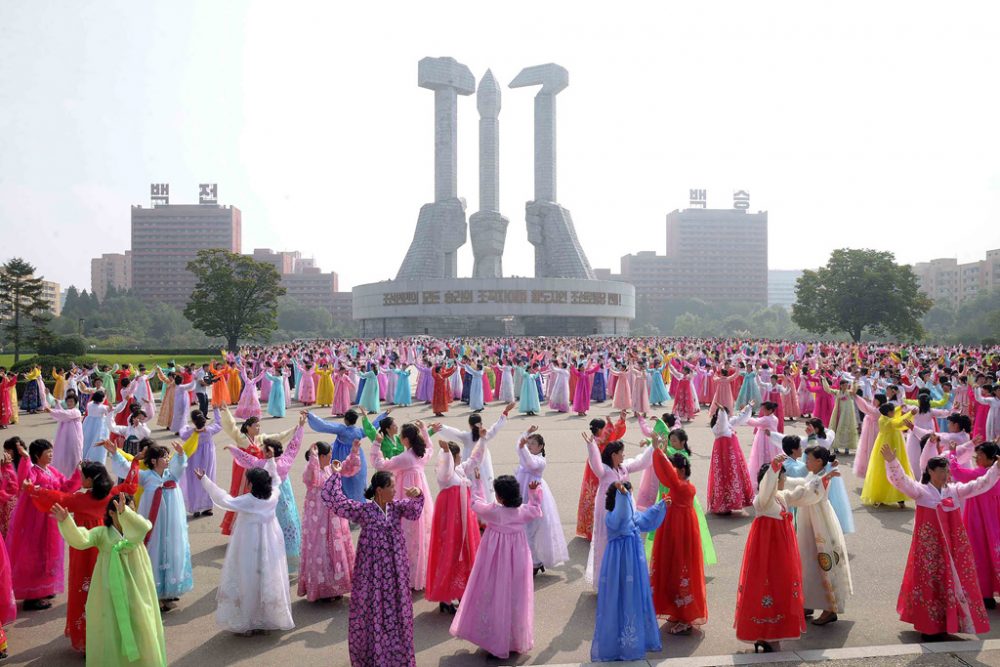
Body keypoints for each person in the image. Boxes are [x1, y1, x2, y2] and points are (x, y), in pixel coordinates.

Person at [882, 444, 1000, 639]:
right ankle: (929, 627)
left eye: (947, 470)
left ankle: (948, 623)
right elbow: (902, 482)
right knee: (929, 584)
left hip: (952, 548)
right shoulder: (920, 491)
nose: (945, 474)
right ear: (930, 471)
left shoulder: (954, 491)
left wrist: (996, 469)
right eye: (941, 470)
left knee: (952, 582)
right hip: (929, 548)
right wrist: (892, 462)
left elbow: (980, 484)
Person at [27, 459, 138, 652]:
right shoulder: (111, 495)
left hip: (84, 548)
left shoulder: (79, 500)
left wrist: (33, 490)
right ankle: (111, 634)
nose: (79, 479)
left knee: (84, 588)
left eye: (81, 476)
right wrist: (135, 462)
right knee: (109, 589)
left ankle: (88, 639)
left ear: (89, 480)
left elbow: (56, 498)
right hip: (108, 547)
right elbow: (130, 486)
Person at [322, 468, 424, 667]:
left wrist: (419, 493)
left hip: (395, 571)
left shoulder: (397, 508)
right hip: (372, 573)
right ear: (379, 490)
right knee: (373, 610)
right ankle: (374, 655)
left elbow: (416, 510)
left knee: (396, 610)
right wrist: (335, 474)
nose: (395, 490)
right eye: (392, 486)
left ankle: (395, 655)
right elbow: (337, 501)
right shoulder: (365, 511)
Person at [53, 493, 167, 666]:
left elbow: (144, 527)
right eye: (122, 509)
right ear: (111, 513)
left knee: (142, 624)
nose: (129, 513)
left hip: (137, 588)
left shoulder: (135, 531)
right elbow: (81, 539)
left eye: (131, 509)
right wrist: (66, 522)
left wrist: (126, 514)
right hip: (108, 589)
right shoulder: (102, 533)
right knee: (111, 627)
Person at [450, 472, 543, 660]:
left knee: (495, 595)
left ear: (500, 497)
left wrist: (478, 482)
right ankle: (514, 641)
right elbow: (536, 509)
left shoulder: (494, 511)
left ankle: (496, 642)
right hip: (518, 559)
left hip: (495, 560)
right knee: (516, 596)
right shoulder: (523, 511)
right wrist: (533, 492)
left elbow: (476, 503)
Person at [195, 458, 294, 635]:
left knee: (248, 578)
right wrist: (271, 462)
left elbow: (224, 499)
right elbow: (277, 480)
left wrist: (205, 480)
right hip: (271, 544)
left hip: (250, 544)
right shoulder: (273, 495)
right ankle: (266, 617)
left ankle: (249, 619)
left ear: (251, 484)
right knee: (268, 576)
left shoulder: (247, 500)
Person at [734, 456, 809, 653]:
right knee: (765, 589)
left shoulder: (781, 496)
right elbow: (766, 487)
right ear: (774, 479)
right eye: (781, 476)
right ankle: (764, 634)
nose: (784, 480)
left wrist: (821, 480)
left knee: (781, 587)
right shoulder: (762, 501)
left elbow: (802, 493)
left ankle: (772, 634)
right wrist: (774, 469)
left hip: (782, 551)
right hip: (766, 553)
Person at [591, 481, 666, 662]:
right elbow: (622, 513)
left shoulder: (631, 516)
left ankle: (633, 641)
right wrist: (623, 495)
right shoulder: (613, 517)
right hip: (620, 563)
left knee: (632, 597)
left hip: (632, 563)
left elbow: (647, 519)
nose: (630, 496)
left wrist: (661, 505)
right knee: (618, 598)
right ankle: (618, 645)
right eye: (628, 494)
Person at [224, 413, 307, 573]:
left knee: (273, 529)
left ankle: (273, 561)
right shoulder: (284, 461)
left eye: (266, 450)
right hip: (284, 501)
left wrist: (233, 450)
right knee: (288, 525)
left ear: (271, 452)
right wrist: (301, 427)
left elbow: (247, 459)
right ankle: (289, 559)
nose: (263, 451)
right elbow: (294, 446)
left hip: (270, 502)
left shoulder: (262, 464)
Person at [8, 438, 81, 610]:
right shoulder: (34, 472)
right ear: (37, 455)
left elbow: (66, 487)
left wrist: (78, 473)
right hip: (37, 521)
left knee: (51, 553)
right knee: (36, 554)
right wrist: (25, 462)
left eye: (51, 452)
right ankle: (33, 596)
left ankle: (46, 588)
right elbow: (27, 482)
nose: (51, 456)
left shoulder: (52, 471)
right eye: (47, 453)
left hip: (52, 519)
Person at [787, 447, 853, 626]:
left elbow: (805, 495)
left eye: (809, 459)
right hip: (809, 523)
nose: (806, 462)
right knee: (808, 563)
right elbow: (801, 483)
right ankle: (809, 602)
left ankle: (830, 609)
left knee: (822, 564)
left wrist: (784, 495)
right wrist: (782, 479)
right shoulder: (816, 475)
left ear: (819, 461)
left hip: (819, 525)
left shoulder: (821, 479)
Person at [582, 432, 654, 589]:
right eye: (621, 453)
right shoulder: (605, 471)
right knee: (607, 544)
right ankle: (607, 583)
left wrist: (652, 446)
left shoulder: (624, 467)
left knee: (625, 545)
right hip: (608, 512)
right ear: (614, 455)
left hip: (626, 513)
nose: (624, 455)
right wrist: (591, 446)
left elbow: (641, 462)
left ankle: (623, 580)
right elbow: (595, 463)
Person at [369, 421, 435, 590]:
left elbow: (380, 465)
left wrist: (377, 443)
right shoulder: (420, 454)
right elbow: (430, 448)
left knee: (406, 534)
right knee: (421, 533)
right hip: (421, 495)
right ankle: (420, 573)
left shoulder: (405, 458)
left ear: (405, 440)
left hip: (406, 494)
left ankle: (405, 575)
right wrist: (424, 431)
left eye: (401, 436)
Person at [649, 448, 707, 634]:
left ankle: (686, 617)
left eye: (674, 469)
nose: (671, 472)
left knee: (681, 568)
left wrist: (658, 450)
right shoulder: (682, 484)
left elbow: (665, 470)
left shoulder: (680, 486)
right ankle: (677, 610)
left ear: (680, 470)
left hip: (680, 532)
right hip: (677, 530)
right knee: (675, 568)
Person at [299, 439, 361, 602]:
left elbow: (346, 469)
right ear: (319, 456)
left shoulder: (328, 467)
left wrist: (354, 452)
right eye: (327, 456)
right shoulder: (310, 471)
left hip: (334, 517)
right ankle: (321, 590)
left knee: (336, 547)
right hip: (317, 519)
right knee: (321, 550)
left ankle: (336, 587)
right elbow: (314, 480)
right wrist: (313, 459)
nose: (330, 458)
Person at [426, 440, 483, 613]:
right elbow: (446, 470)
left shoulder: (458, 470)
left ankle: (459, 592)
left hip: (462, 522)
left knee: (462, 554)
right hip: (451, 523)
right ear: (454, 456)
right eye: (457, 455)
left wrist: (482, 440)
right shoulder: (446, 474)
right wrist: (446, 452)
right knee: (450, 554)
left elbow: (474, 458)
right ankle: (446, 597)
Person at [136, 442, 193, 611]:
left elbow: (180, 465)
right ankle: (156, 592)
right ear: (153, 461)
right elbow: (128, 471)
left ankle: (170, 589)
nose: (167, 459)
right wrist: (116, 454)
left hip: (171, 524)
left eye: (168, 456)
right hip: (155, 524)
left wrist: (181, 454)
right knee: (155, 550)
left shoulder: (171, 476)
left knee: (173, 550)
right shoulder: (146, 477)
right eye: (163, 457)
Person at [432, 402, 513, 504]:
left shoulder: (466, 436)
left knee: (470, 481)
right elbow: (496, 427)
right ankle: (486, 502)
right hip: (483, 462)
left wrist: (440, 427)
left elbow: (452, 432)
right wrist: (505, 412)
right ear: (481, 423)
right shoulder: (485, 434)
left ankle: (470, 502)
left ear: (470, 425)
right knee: (484, 481)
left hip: (469, 462)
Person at [514, 428, 569, 574]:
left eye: (533, 444)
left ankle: (536, 562)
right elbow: (519, 448)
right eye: (529, 443)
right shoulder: (526, 456)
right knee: (523, 528)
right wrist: (525, 433)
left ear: (540, 447)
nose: (530, 445)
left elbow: (530, 463)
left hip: (534, 495)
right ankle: (530, 559)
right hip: (521, 493)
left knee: (532, 529)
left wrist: (522, 447)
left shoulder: (540, 461)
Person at [706, 406, 754, 514]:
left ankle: (732, 502)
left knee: (733, 475)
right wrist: (722, 411)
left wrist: (748, 407)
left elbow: (740, 418)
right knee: (723, 476)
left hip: (732, 456)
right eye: (725, 414)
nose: (727, 416)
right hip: (723, 456)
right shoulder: (718, 427)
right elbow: (722, 420)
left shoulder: (728, 422)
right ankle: (723, 505)